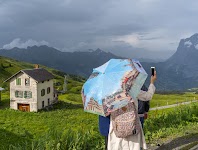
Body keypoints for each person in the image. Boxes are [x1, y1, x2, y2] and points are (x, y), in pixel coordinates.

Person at [107, 71, 157, 150]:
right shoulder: (133, 90)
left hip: (117, 125)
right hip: (132, 123)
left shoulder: (110, 92)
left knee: (117, 146)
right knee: (133, 146)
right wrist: (152, 82)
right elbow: (148, 96)